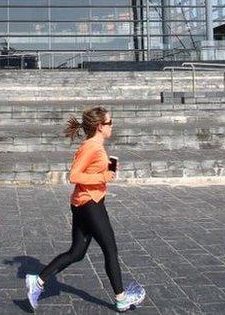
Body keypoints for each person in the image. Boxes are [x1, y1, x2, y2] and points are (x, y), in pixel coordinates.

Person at [25, 107, 145, 312]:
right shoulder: (92, 147)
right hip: (90, 204)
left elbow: (89, 170)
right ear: (100, 127)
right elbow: (74, 176)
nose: (112, 126)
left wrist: (108, 168)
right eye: (110, 123)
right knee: (110, 250)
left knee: (77, 252)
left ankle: (38, 281)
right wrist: (103, 177)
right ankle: (121, 298)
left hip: (83, 203)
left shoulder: (96, 146)